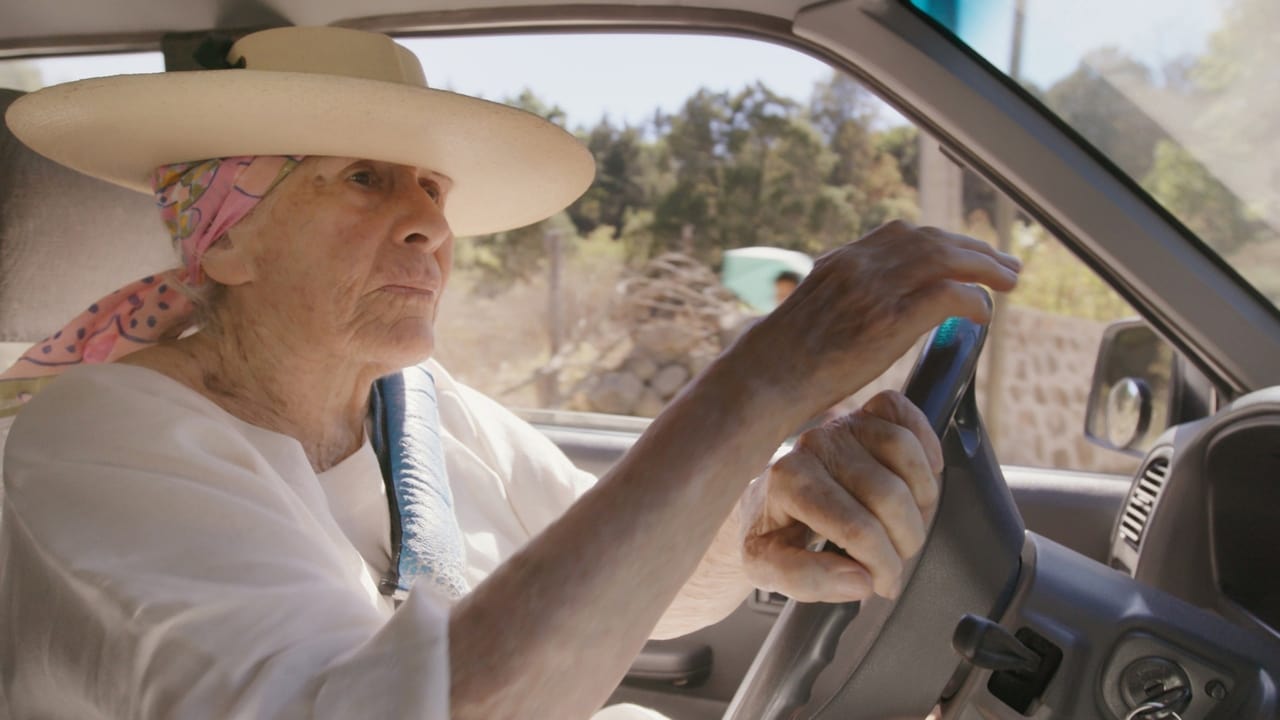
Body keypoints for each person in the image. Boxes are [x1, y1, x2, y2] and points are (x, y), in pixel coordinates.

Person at [0, 26, 1021, 719]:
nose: (431, 225)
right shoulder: (102, 443)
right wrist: (759, 386)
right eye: (364, 178)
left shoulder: (419, 409)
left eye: (431, 187)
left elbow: (625, 585)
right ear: (226, 241)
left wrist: (749, 520)